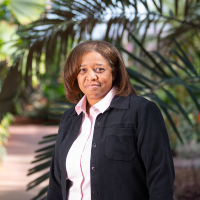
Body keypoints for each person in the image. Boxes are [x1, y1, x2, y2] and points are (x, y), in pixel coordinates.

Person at [46, 41, 175, 200]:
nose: (91, 76)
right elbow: (56, 184)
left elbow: (161, 177)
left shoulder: (141, 111)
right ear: (75, 75)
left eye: (99, 69)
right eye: (82, 70)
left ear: (114, 73)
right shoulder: (69, 118)